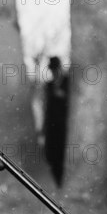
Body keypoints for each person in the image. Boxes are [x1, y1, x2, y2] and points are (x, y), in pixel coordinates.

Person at [43, 56, 69, 187]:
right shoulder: (48, 85)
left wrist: (62, 96)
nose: (53, 72)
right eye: (52, 70)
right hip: (51, 127)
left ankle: (63, 181)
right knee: (52, 155)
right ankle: (57, 181)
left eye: (55, 69)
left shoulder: (67, 82)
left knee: (63, 153)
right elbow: (46, 108)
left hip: (64, 126)